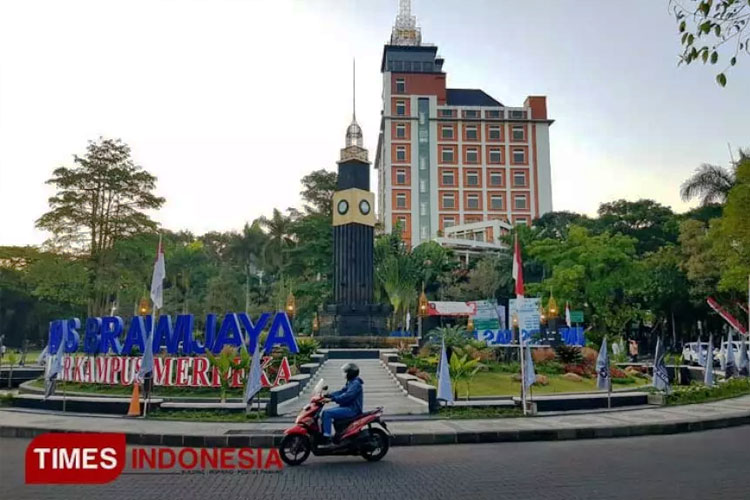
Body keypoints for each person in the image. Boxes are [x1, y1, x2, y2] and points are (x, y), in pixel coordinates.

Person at [320, 362, 364, 444]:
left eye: (345, 372)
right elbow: (341, 391)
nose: (343, 374)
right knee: (327, 413)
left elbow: (347, 396)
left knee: (327, 413)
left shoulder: (355, 384)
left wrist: (332, 399)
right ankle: (339, 435)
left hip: (352, 409)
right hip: (348, 407)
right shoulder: (351, 382)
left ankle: (326, 437)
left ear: (350, 373)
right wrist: (329, 395)